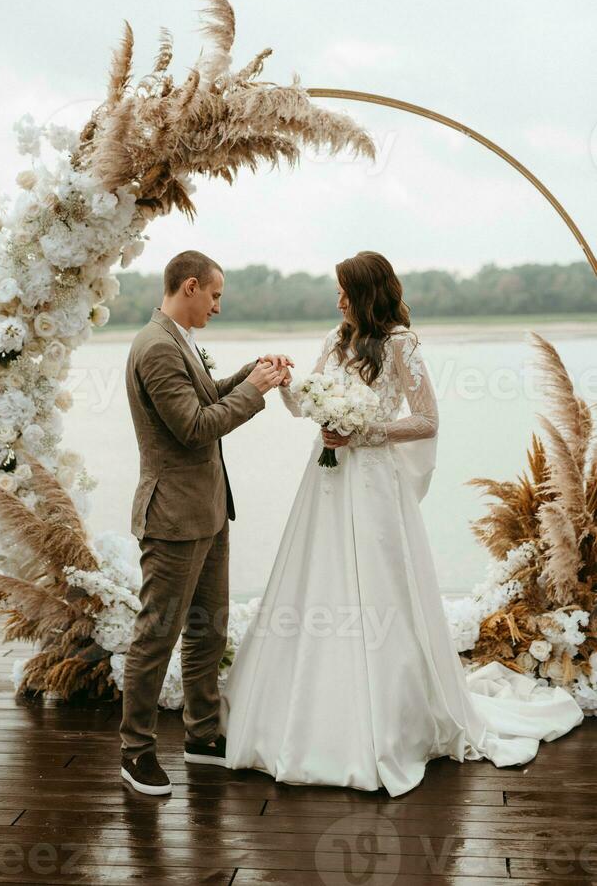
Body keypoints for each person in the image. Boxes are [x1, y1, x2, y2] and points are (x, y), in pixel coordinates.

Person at [220, 250, 584, 797]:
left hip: (373, 484)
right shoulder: (334, 338)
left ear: (366, 293)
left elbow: (426, 418)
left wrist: (365, 431)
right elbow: (306, 404)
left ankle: (391, 720)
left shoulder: (400, 344)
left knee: (380, 589)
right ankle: (307, 713)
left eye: (344, 289)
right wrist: (284, 383)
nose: (337, 298)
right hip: (325, 483)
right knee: (316, 580)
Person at [119, 249, 293, 795]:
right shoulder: (154, 347)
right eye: (215, 295)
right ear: (190, 286)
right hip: (172, 516)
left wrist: (249, 374)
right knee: (158, 634)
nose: (218, 306)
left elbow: (204, 398)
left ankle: (201, 736)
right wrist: (256, 392)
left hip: (209, 511)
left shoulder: (177, 339)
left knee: (206, 629)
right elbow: (195, 427)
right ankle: (135, 750)